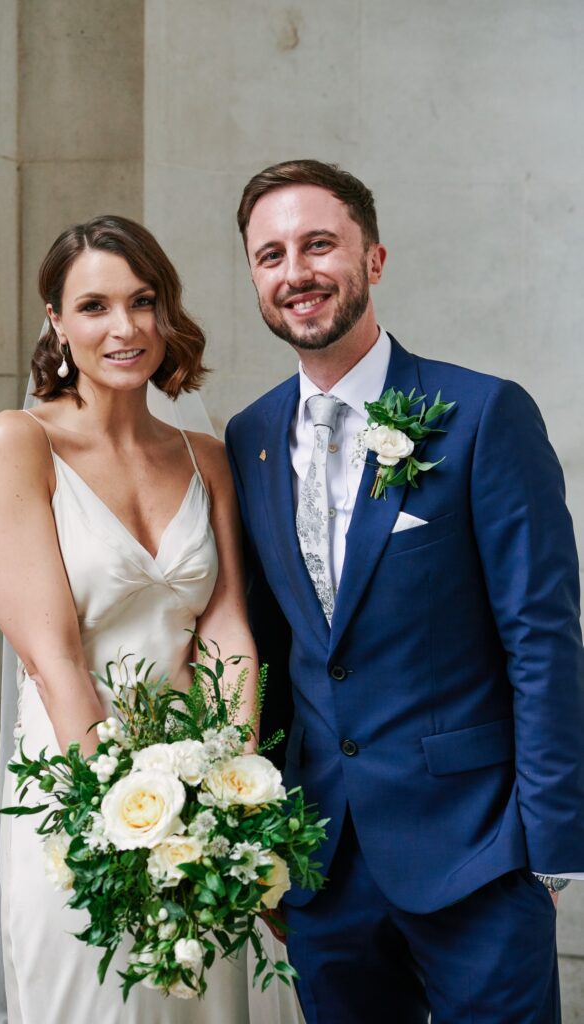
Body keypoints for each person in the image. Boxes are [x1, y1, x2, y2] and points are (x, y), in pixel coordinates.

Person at [225, 159, 584, 1024]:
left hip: (477, 851)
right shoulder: (250, 437)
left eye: (319, 245)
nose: (296, 273)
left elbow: (541, 637)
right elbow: (272, 648)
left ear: (372, 258)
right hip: (322, 862)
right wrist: (268, 847)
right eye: (270, 255)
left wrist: (549, 849)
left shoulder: (481, 414)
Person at [0, 215, 303, 1024]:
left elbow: (225, 627)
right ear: (55, 321)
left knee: (208, 1001)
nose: (125, 328)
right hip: (76, 784)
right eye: (94, 306)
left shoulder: (205, 455)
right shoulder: (16, 443)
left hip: (199, 781)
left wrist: (229, 795)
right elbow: (53, 660)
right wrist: (127, 819)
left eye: (143, 301)